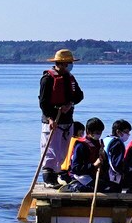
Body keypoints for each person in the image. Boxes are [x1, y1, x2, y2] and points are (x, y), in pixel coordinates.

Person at [38, 49, 83, 186]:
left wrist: (70, 104)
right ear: (61, 64)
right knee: (50, 150)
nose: (69, 66)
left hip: (67, 121)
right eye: (68, 64)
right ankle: (48, 179)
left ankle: (60, 176)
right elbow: (43, 102)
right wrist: (50, 118)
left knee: (63, 151)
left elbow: (79, 96)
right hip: (52, 120)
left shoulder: (70, 78)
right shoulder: (47, 79)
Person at [62, 118, 105, 190]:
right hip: (80, 175)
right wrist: (93, 165)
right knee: (93, 189)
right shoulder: (81, 146)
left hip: (92, 174)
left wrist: (103, 158)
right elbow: (75, 168)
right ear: (88, 131)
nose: (99, 135)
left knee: (110, 187)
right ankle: (73, 187)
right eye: (97, 132)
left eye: (100, 133)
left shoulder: (99, 144)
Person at [102, 119, 132, 191]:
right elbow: (116, 165)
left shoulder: (106, 139)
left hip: (104, 174)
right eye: (126, 132)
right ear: (118, 132)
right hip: (113, 178)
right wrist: (125, 173)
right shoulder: (118, 143)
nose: (128, 135)